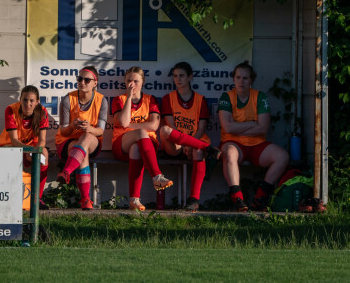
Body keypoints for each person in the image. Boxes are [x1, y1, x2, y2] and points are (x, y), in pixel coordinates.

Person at [218, 61, 289, 212]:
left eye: (245, 78)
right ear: (233, 79)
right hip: (234, 143)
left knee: (282, 156)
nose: (241, 81)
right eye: (238, 77)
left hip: (256, 143)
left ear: (251, 80)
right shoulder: (227, 97)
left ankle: (260, 198)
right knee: (229, 153)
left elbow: (263, 127)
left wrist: (238, 127)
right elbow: (227, 127)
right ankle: (237, 198)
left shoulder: (259, 97)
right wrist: (252, 123)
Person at [160, 62, 220, 212]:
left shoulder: (201, 100)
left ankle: (194, 200)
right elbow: (171, 127)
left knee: (198, 151)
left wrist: (190, 144)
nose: (177, 79)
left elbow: (201, 128)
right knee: (165, 130)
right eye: (175, 76)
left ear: (190, 77)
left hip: (194, 143)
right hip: (176, 145)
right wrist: (185, 143)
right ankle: (209, 149)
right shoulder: (168, 98)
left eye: (181, 76)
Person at [111, 66, 173, 211]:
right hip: (121, 144)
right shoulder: (119, 100)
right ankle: (157, 176)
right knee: (140, 133)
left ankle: (134, 200)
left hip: (146, 147)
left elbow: (154, 125)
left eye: (136, 81)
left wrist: (132, 126)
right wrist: (128, 97)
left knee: (136, 148)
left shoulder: (150, 99)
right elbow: (124, 122)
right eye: (129, 81)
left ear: (143, 82)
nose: (132, 84)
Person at [55, 66, 108, 210]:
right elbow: (64, 132)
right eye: (79, 79)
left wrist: (89, 128)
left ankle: (66, 172)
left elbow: (100, 131)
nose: (82, 82)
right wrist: (72, 126)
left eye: (87, 80)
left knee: (86, 137)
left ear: (95, 83)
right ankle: (85, 200)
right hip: (68, 142)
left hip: (92, 141)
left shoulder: (102, 101)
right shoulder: (68, 99)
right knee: (81, 153)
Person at [0, 85, 50, 210]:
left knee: (44, 155)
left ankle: (37, 199)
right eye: (25, 100)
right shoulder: (11, 110)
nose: (28, 104)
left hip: (30, 149)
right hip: (10, 146)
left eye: (31, 101)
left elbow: (42, 141)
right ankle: (6, 198)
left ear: (37, 102)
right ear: (20, 99)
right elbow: (14, 140)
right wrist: (29, 150)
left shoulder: (42, 112)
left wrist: (34, 152)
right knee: (7, 156)